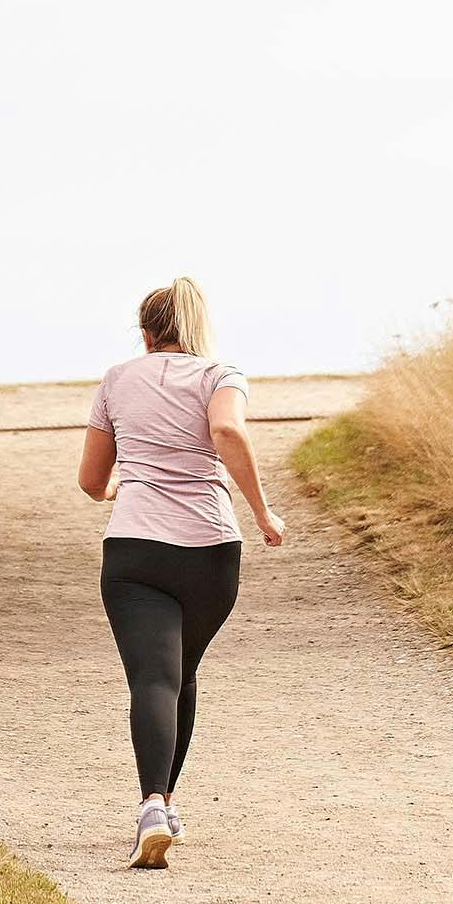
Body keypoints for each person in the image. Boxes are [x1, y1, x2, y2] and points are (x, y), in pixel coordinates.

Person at [78, 276, 286, 868]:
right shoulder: (221, 376)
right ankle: (165, 804)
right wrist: (263, 511)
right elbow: (226, 430)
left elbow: (92, 482)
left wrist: (125, 482)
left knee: (155, 677)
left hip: (135, 548)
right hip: (210, 550)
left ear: (146, 333)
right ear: (197, 329)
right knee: (181, 672)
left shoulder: (118, 379)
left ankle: (152, 805)